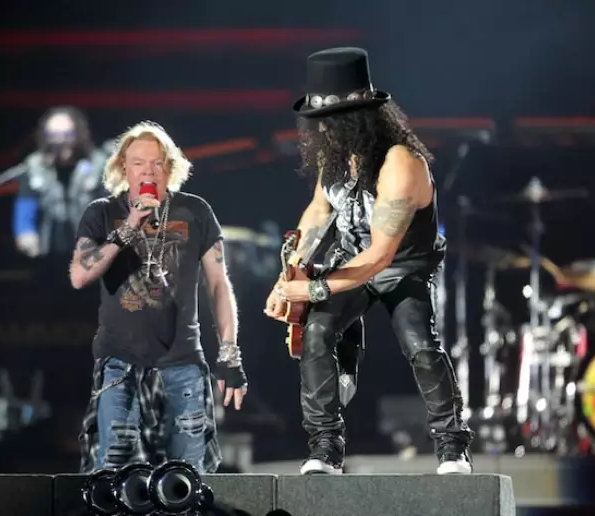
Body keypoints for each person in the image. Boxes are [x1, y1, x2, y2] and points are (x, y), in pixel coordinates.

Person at [264, 47, 472, 475]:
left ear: (358, 118)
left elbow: (380, 256)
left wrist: (315, 288)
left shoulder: (400, 163)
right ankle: (325, 447)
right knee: (315, 330)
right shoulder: (335, 154)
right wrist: (288, 276)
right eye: (318, 122)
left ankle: (452, 446)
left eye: (331, 121)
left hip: (402, 263)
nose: (324, 130)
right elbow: (319, 210)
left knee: (419, 342)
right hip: (350, 255)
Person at [70, 121, 247, 473]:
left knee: (186, 476)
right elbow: (79, 275)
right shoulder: (102, 212)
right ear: (123, 168)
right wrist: (128, 227)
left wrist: (229, 354)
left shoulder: (196, 211)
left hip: (183, 362)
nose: (148, 171)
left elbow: (218, 284)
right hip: (120, 361)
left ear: (170, 167)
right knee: (113, 473)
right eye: (138, 163)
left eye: (157, 163)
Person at [14, 106, 109, 257]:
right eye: (53, 135)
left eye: (67, 134)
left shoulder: (99, 165)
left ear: (79, 135)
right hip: (47, 253)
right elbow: (25, 209)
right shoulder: (35, 167)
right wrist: (26, 235)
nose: (60, 140)